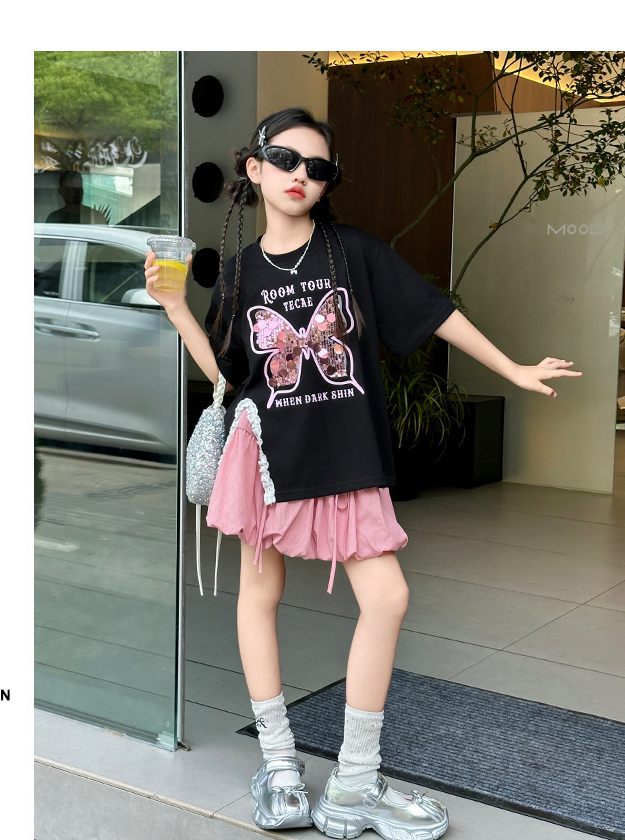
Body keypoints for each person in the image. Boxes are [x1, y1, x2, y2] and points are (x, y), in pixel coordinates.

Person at [144, 108, 582, 840]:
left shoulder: (353, 252)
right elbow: (227, 372)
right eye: (286, 160)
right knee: (260, 595)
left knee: (387, 597)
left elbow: (434, 313)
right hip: (269, 455)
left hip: (347, 455)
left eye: (317, 169)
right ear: (254, 168)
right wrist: (173, 306)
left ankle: (351, 783)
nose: (301, 176)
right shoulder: (241, 271)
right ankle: (281, 769)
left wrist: (510, 367)